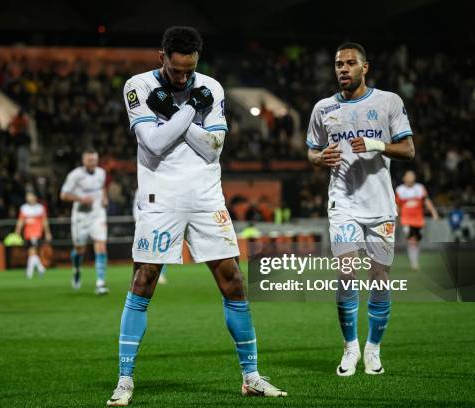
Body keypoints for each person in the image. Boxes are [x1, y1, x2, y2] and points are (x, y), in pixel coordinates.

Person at [107, 26, 286, 406]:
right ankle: (125, 380)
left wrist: (172, 110)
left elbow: (212, 150)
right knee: (143, 281)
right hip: (161, 198)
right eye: (177, 71)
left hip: (207, 198)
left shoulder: (212, 87)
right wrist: (190, 110)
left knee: (234, 282)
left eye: (190, 70)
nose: (185, 77)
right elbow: (153, 143)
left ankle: (251, 376)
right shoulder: (137, 86)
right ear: (162, 58)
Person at [307, 42, 415, 377]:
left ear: (364, 67)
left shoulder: (388, 102)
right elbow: (311, 151)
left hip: (380, 205)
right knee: (346, 270)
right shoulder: (323, 108)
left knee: (380, 276)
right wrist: (319, 158)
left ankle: (373, 349)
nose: (343, 69)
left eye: (350, 63)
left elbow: (408, 149)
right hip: (343, 203)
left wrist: (377, 144)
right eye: (339, 63)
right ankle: (351, 347)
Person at [60, 149, 109, 294]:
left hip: (97, 213)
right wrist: (81, 199)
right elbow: (63, 195)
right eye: (89, 160)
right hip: (80, 215)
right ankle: (76, 268)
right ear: (84, 161)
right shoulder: (75, 175)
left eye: (94, 160)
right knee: (79, 249)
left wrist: (105, 198)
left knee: (101, 246)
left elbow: (101, 188)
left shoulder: (101, 172)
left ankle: (100, 283)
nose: (93, 163)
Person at [395, 170, 439, 270]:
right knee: (411, 240)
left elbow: (426, 201)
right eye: (408, 176)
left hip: (418, 220)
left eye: (412, 176)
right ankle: (414, 264)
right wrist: (395, 218)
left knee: (417, 241)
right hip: (406, 220)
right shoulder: (400, 190)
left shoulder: (419, 188)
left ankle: (414, 261)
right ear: (404, 178)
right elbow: (397, 206)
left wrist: (433, 212)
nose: (410, 178)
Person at [14, 191, 52, 279]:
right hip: (27, 233)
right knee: (32, 253)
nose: (29, 198)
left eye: (30, 196)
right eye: (27, 196)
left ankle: (29, 273)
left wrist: (47, 233)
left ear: (35, 197)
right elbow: (21, 221)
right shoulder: (24, 208)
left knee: (32, 252)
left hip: (37, 233)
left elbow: (45, 221)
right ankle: (40, 268)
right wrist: (17, 232)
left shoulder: (40, 208)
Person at [133, 188, 167, 284]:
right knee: (142, 251)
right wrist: (139, 222)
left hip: (159, 224)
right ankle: (138, 274)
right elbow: (136, 207)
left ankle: (161, 274)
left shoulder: (161, 188)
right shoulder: (140, 189)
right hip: (144, 224)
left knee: (160, 250)